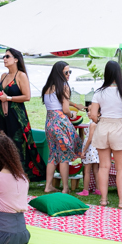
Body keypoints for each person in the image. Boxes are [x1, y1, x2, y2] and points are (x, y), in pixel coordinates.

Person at [88, 60, 122, 209]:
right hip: (118, 127)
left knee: (104, 166)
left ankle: (103, 200)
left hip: (103, 127)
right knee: (121, 168)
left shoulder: (99, 92)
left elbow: (94, 116)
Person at [0, 47, 45, 182]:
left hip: (17, 116)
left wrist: (8, 98)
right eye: (4, 57)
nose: (4, 59)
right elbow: (2, 93)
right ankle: (7, 174)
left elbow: (27, 96)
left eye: (7, 56)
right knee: (4, 144)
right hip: (3, 115)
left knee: (19, 145)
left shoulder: (21, 75)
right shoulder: (3, 76)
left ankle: (22, 176)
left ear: (15, 59)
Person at [41, 61, 83, 194]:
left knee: (53, 155)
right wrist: (72, 113)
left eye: (70, 71)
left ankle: (48, 186)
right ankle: (65, 187)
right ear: (60, 73)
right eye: (66, 72)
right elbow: (65, 109)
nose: (69, 74)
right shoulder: (64, 86)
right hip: (60, 122)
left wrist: (74, 104)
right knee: (64, 156)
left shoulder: (48, 87)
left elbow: (59, 99)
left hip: (49, 123)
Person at [77, 103, 99, 197]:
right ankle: (98, 189)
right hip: (96, 149)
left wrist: (83, 151)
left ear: (98, 113)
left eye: (91, 111)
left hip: (90, 150)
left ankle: (85, 190)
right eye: (88, 110)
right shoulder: (98, 122)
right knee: (96, 170)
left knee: (87, 171)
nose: (89, 113)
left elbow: (89, 139)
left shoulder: (92, 124)